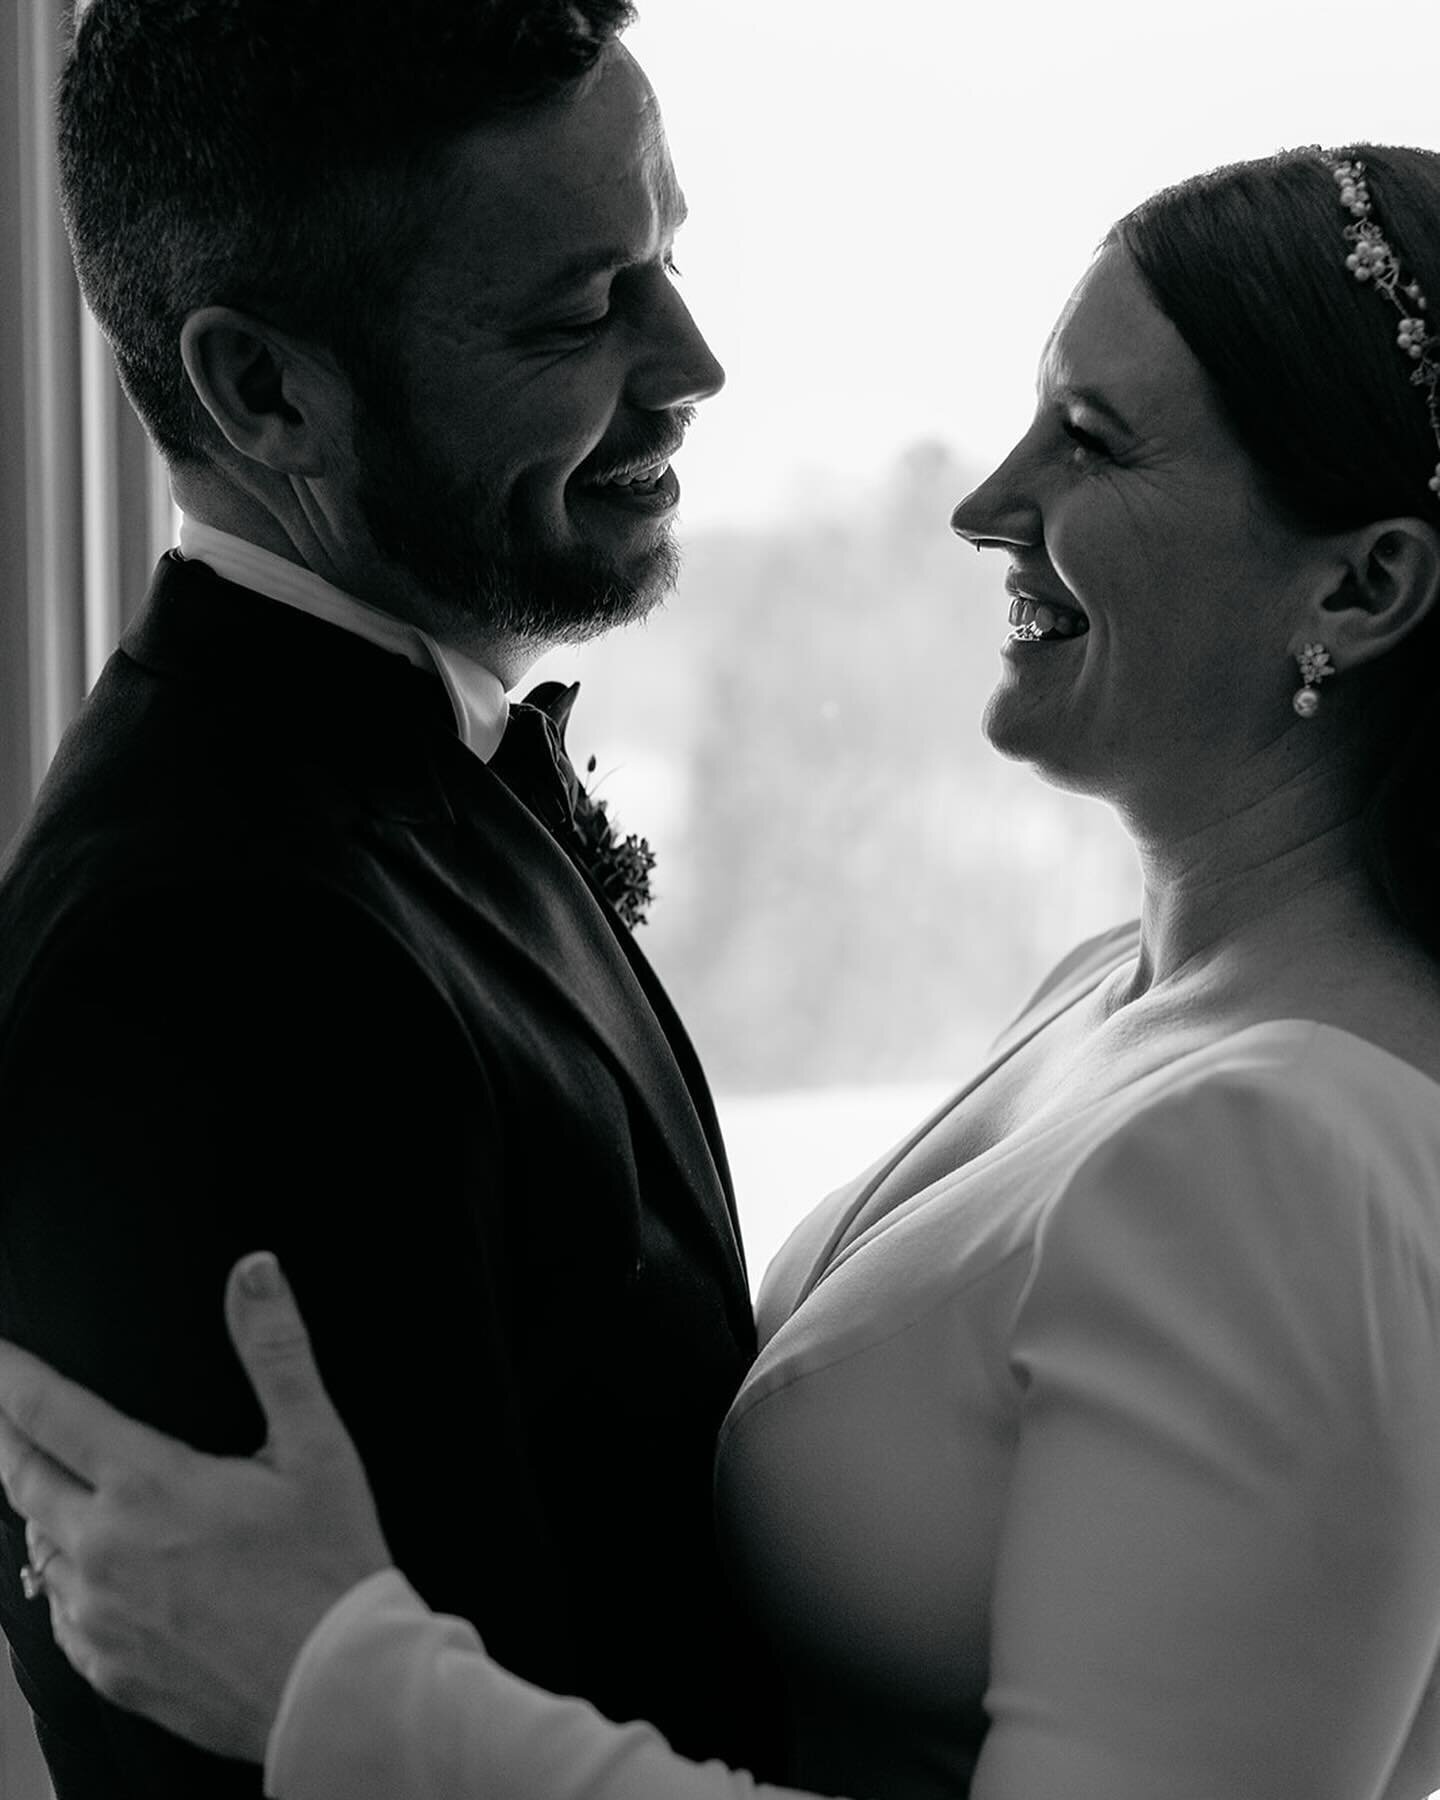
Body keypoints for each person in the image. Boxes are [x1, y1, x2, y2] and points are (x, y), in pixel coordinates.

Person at [8, 137, 1440, 1800]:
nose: (986, 505)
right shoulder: (1110, 988)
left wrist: (345, 1688)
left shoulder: (1298, 1165)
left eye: (1095, 443)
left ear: (1364, 584)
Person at [0, 3, 782, 1797]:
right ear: (264, 388)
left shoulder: (406, 778)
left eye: (668, 256)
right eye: (582, 309)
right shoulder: (204, 959)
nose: (694, 359)